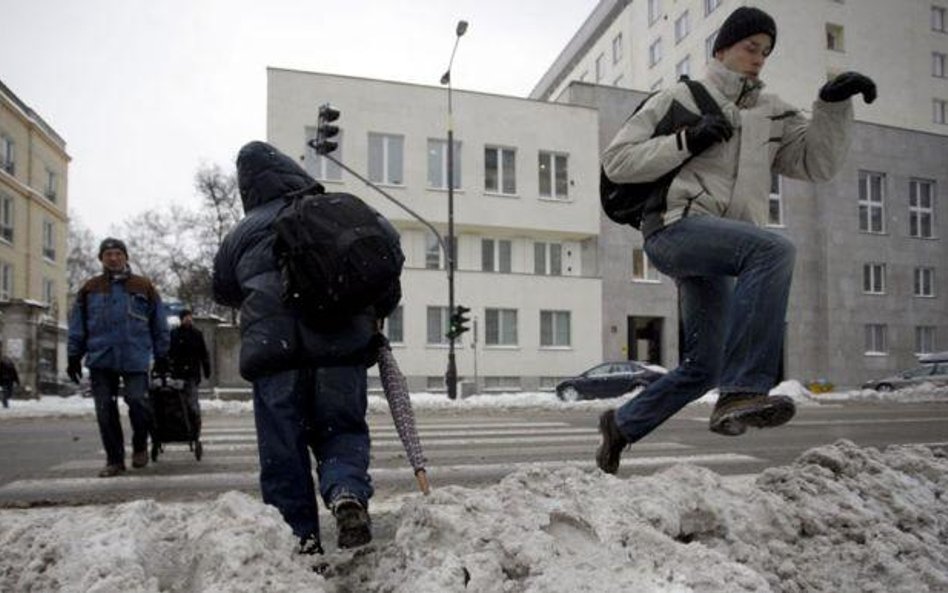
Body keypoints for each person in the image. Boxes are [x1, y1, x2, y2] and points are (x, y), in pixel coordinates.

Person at [596, 6, 876, 474]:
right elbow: (617, 161)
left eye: (766, 52)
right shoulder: (680, 97)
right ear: (722, 47)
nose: (759, 58)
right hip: (675, 229)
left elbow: (816, 164)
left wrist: (831, 106)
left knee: (703, 365)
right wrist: (686, 141)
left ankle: (622, 425)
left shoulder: (772, 112)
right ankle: (744, 389)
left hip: (721, 246)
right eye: (751, 48)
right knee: (773, 248)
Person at [213, 141, 398, 555]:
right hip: (341, 353)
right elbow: (387, 257)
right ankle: (346, 492)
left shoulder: (242, 232)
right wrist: (374, 308)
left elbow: (223, 290)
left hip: (276, 359)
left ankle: (301, 546)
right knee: (342, 431)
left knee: (283, 454)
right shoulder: (344, 210)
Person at [67, 238, 171, 477]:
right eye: (108, 254)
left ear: (125, 257)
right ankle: (114, 460)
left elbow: (159, 323)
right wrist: (74, 355)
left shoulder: (143, 286)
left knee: (138, 402)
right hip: (101, 358)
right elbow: (78, 325)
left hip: (134, 357)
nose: (113, 258)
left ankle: (139, 445)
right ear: (101, 259)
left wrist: (162, 354)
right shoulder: (90, 288)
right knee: (105, 410)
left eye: (117, 253)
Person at [168, 309, 211, 436]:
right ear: (181, 319)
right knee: (178, 401)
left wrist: (206, 368)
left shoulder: (196, 334)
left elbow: (203, 353)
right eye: (186, 317)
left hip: (192, 372)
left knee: (192, 401)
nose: (188, 319)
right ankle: (182, 425)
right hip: (178, 373)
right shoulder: (174, 334)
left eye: (189, 317)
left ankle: (195, 425)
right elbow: (170, 352)